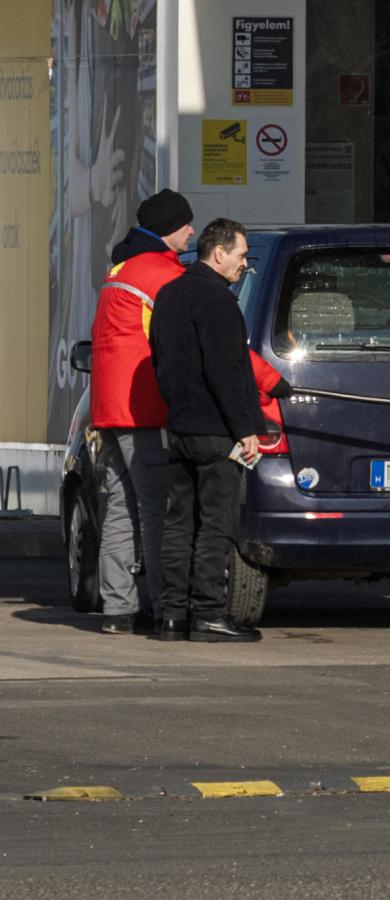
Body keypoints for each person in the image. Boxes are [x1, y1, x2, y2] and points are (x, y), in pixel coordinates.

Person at [148, 218, 263, 642]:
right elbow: (226, 372)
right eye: (241, 255)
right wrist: (245, 428)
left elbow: (159, 359)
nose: (244, 264)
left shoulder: (169, 294)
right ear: (219, 254)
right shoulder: (218, 300)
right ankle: (209, 615)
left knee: (179, 523)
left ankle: (173, 617)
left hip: (179, 427)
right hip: (216, 432)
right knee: (216, 525)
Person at [90, 189, 194, 634]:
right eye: (187, 224)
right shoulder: (162, 274)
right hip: (144, 409)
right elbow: (182, 340)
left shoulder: (122, 269)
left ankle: (117, 609)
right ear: (170, 229)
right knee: (155, 509)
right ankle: (161, 604)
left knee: (119, 508)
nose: (192, 230)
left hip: (110, 410)